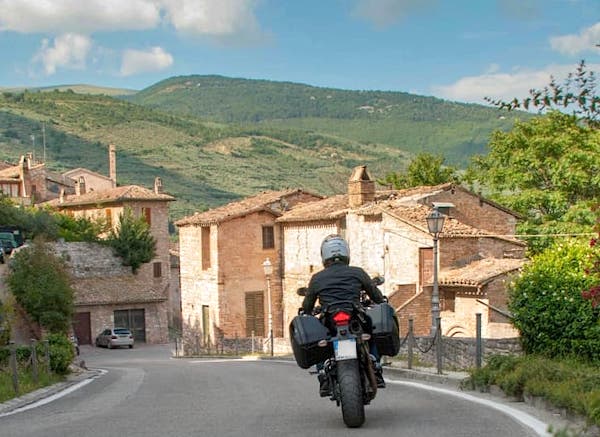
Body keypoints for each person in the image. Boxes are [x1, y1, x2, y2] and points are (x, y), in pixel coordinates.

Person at [301, 234, 386, 396]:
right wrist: (380, 300)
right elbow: (375, 295)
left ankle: (323, 373)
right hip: (355, 316)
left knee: (319, 338)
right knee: (372, 331)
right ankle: (375, 365)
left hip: (329, 320)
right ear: (346, 253)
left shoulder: (317, 278)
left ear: (324, 256)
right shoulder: (357, 272)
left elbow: (307, 306)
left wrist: (307, 311)